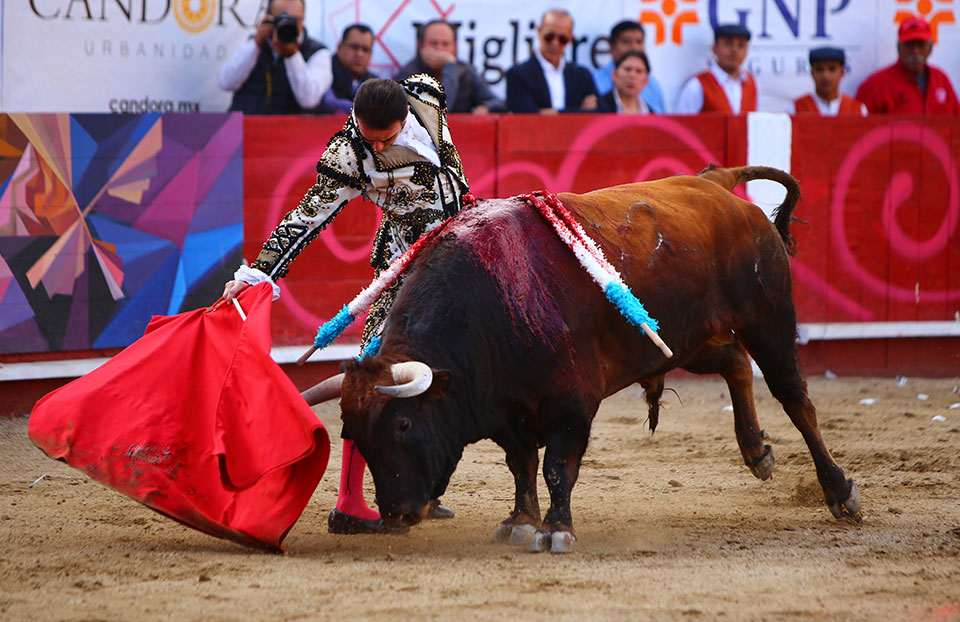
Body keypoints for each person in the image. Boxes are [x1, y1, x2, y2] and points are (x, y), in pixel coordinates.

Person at [221, 77, 470, 534]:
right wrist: (258, 274)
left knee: (447, 373)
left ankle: (424, 488)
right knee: (369, 377)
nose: (376, 147)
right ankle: (349, 503)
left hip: (460, 261)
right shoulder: (348, 155)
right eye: (368, 137)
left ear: (406, 117)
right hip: (403, 272)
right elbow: (305, 217)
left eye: (386, 139)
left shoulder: (427, 94)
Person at [217, 0, 332, 114]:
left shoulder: (317, 52)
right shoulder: (256, 44)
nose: (288, 24)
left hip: (290, 125)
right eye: (282, 18)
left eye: (295, 19)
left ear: (303, 20)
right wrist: (256, 43)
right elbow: (225, 82)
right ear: (268, 17)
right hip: (246, 123)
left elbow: (309, 100)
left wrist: (292, 55)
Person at [395, 20, 506, 114]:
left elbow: (499, 104)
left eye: (446, 44)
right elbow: (439, 112)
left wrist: (486, 107)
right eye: (433, 43)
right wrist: (450, 67)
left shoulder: (465, 71)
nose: (440, 49)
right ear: (420, 45)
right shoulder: (409, 76)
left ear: (455, 47)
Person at [855, 16, 959, 115]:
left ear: (930, 48)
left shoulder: (941, 79)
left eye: (921, 45)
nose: (915, 51)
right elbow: (858, 124)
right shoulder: (876, 85)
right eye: (909, 45)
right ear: (899, 48)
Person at [506, 9, 598, 114]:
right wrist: (579, 112)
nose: (555, 43)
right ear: (539, 31)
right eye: (549, 37)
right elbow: (526, 115)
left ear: (570, 39)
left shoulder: (582, 75)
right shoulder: (518, 75)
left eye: (562, 39)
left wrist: (551, 113)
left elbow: (600, 112)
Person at [675, 24, 757, 114]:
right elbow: (682, 121)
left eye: (741, 45)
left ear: (746, 51)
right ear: (714, 49)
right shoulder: (697, 85)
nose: (735, 50)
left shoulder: (752, 84)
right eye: (728, 44)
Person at [593, 21, 666, 113]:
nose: (633, 47)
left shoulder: (653, 85)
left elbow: (662, 119)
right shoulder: (594, 80)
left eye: (639, 42)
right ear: (612, 47)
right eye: (626, 42)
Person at [789, 47, 866, 116]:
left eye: (832, 69)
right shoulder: (795, 109)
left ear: (842, 72)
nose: (825, 75)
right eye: (819, 69)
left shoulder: (858, 110)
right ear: (812, 73)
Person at [320, 24, 378, 114]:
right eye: (354, 47)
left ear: (371, 54)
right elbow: (329, 101)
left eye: (365, 49)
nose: (359, 54)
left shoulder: (375, 82)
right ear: (339, 48)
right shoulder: (323, 71)